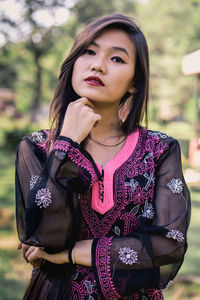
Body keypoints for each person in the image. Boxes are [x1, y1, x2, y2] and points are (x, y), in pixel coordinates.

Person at [16, 13, 191, 300]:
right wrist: (66, 142)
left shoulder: (160, 149)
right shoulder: (37, 147)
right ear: (74, 63)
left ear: (134, 83)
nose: (97, 64)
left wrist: (72, 252)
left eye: (117, 59)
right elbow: (46, 237)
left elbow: (168, 245)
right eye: (89, 52)